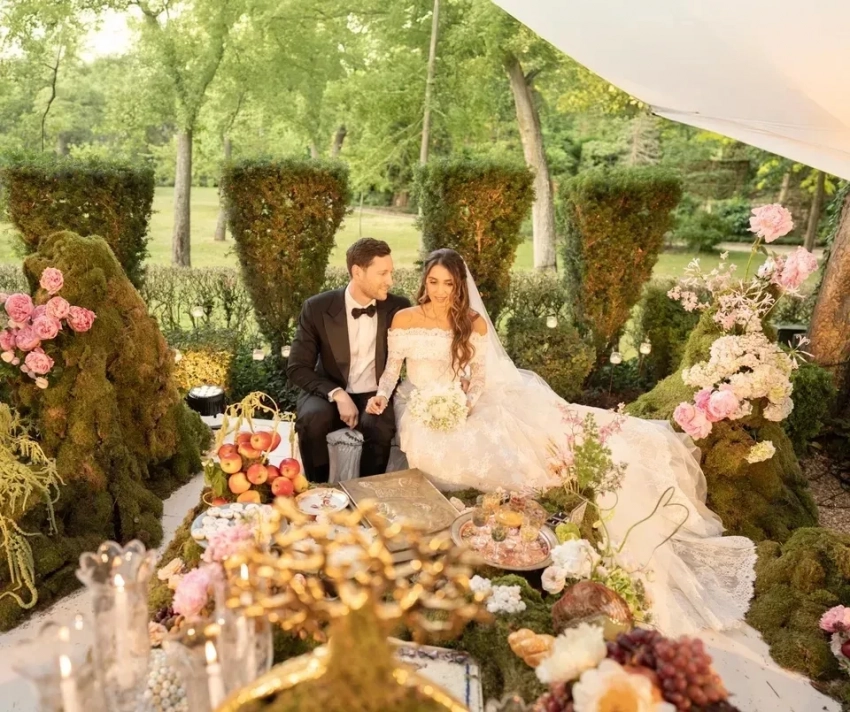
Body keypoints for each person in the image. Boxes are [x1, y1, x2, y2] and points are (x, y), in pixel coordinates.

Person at [366, 248, 755, 635]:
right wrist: (382, 396)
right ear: (424, 282)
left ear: (459, 286)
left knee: (494, 441)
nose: (439, 290)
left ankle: (506, 506)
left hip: (459, 402)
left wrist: (463, 404)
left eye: (448, 284)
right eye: (433, 282)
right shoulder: (404, 319)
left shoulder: (473, 323)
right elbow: (392, 371)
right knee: (432, 447)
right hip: (416, 403)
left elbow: (479, 379)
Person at [286, 238, 411, 482]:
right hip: (329, 388)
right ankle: (317, 488)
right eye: (382, 273)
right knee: (312, 418)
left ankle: (367, 493)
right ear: (357, 272)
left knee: (378, 425)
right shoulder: (317, 308)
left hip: (376, 392)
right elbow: (297, 367)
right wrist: (337, 394)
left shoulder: (398, 308)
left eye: (391, 272)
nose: (390, 281)